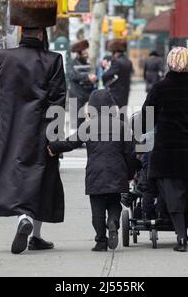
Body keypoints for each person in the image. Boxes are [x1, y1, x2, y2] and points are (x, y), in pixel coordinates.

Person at [0, 0, 67, 255]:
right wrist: (55, 138)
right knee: (40, 179)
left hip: (10, 128)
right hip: (41, 129)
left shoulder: (2, 57)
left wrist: (6, 118)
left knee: (14, 178)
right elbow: (58, 102)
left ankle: (27, 225)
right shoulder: (53, 60)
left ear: (21, 31)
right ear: (41, 32)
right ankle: (32, 229)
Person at [141, 47, 188, 252]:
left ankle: (181, 237)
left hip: (167, 152)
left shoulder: (159, 89)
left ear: (169, 64)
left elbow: (146, 119)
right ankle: (185, 231)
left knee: (172, 195)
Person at [48, 89, 135, 252]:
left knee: (97, 210)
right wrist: (130, 174)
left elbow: (70, 143)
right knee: (115, 204)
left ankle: (101, 241)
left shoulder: (87, 126)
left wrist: (53, 147)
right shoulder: (122, 126)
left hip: (95, 174)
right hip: (117, 173)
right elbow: (130, 153)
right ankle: (113, 222)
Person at [68, 39, 98, 128]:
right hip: (76, 96)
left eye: (86, 50)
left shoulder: (88, 64)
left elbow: (93, 76)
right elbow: (72, 76)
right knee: (76, 123)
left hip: (88, 95)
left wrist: (95, 79)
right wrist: (87, 78)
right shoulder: (72, 64)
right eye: (84, 51)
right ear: (78, 53)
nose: (86, 53)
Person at [102, 39, 133, 108]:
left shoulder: (116, 62)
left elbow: (106, 75)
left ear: (114, 51)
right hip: (125, 91)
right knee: (123, 113)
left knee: (114, 115)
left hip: (115, 92)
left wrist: (105, 68)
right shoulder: (128, 61)